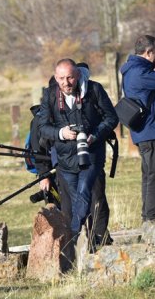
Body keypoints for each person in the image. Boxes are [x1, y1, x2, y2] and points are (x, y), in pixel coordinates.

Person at [36, 59, 118, 242]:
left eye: (70, 78)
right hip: (65, 159)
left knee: (93, 198)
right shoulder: (50, 96)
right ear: (56, 78)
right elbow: (42, 127)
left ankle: (99, 239)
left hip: (91, 154)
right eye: (62, 78)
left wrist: (95, 135)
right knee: (70, 206)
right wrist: (61, 133)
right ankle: (72, 244)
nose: (66, 83)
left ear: (78, 75)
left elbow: (112, 118)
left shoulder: (94, 90)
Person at [120, 35, 155, 223]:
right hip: (151, 131)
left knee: (150, 174)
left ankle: (150, 215)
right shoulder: (139, 73)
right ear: (148, 52)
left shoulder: (134, 70)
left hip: (146, 130)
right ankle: (153, 217)